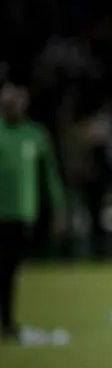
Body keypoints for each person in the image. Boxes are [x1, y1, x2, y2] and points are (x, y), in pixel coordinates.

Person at [0, 73, 66, 344]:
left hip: (21, 215)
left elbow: (50, 177)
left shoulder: (35, 135)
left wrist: (59, 210)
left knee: (9, 271)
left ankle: (7, 323)